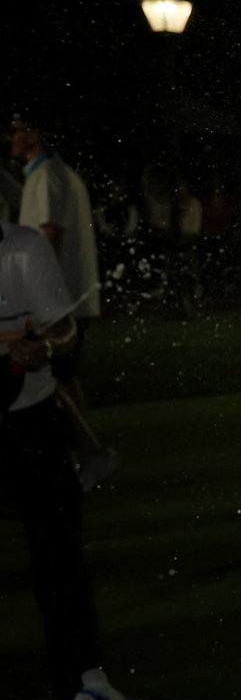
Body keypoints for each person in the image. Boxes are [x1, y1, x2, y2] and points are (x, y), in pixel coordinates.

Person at [1, 220, 146, 700]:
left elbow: (63, 329)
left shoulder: (21, 245)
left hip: (30, 420)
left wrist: (43, 345)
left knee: (59, 557)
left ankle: (86, 684)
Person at [9, 111, 119, 489]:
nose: (12, 136)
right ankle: (86, 454)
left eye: (18, 129)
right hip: (66, 298)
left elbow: (48, 236)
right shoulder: (57, 173)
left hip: (58, 302)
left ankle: (91, 453)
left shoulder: (45, 176)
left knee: (56, 378)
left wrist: (37, 299)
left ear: (35, 135)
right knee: (61, 377)